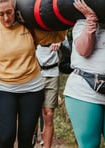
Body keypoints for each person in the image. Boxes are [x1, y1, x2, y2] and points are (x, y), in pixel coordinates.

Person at [0, 0, 67, 147]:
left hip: (32, 89)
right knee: (7, 137)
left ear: (15, 9)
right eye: (1, 14)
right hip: (4, 89)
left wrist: (64, 21)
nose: (6, 18)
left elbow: (55, 37)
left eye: (9, 12)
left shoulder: (28, 27)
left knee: (26, 137)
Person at [64, 0, 105, 147]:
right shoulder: (81, 23)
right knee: (89, 145)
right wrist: (90, 21)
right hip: (84, 90)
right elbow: (83, 51)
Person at [35, 43, 61, 148]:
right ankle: (31, 141)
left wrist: (60, 42)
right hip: (34, 73)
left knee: (48, 114)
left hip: (52, 73)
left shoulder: (57, 29)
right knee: (31, 116)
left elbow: (66, 41)